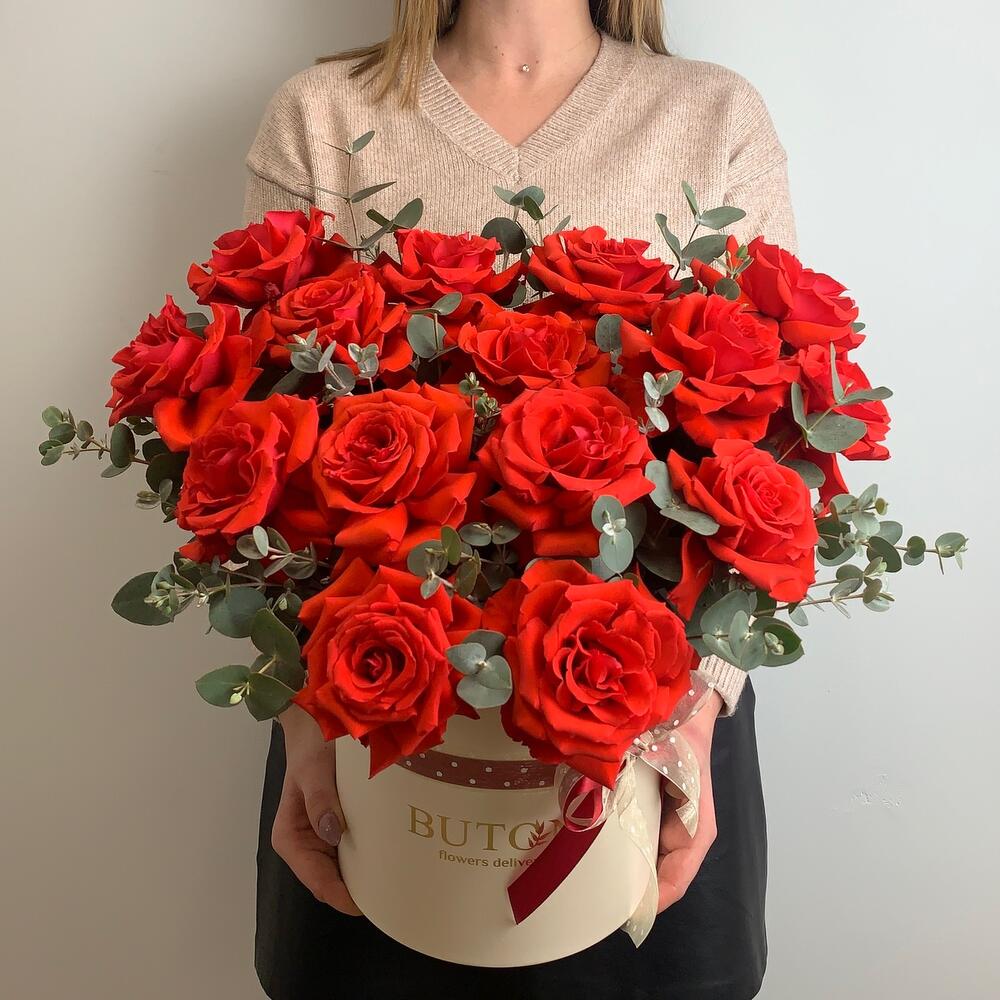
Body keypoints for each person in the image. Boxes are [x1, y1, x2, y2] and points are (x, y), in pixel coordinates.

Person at [246, 2, 796, 997]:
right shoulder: (323, 115)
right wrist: (297, 714)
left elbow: (773, 449)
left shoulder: (711, 115)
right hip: (374, 733)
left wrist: (697, 709)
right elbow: (258, 442)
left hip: (649, 741)